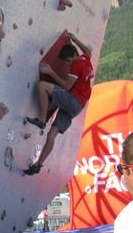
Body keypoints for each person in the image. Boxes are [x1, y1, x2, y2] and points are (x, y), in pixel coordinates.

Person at [24, 32, 94, 175]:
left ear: (74, 55)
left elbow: (66, 86)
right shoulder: (85, 59)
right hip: (78, 107)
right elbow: (88, 51)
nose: (68, 64)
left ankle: (42, 119)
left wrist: (50, 72)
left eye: (68, 60)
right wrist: (75, 39)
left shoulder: (77, 64)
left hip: (73, 100)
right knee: (51, 135)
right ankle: (38, 165)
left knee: (42, 86)